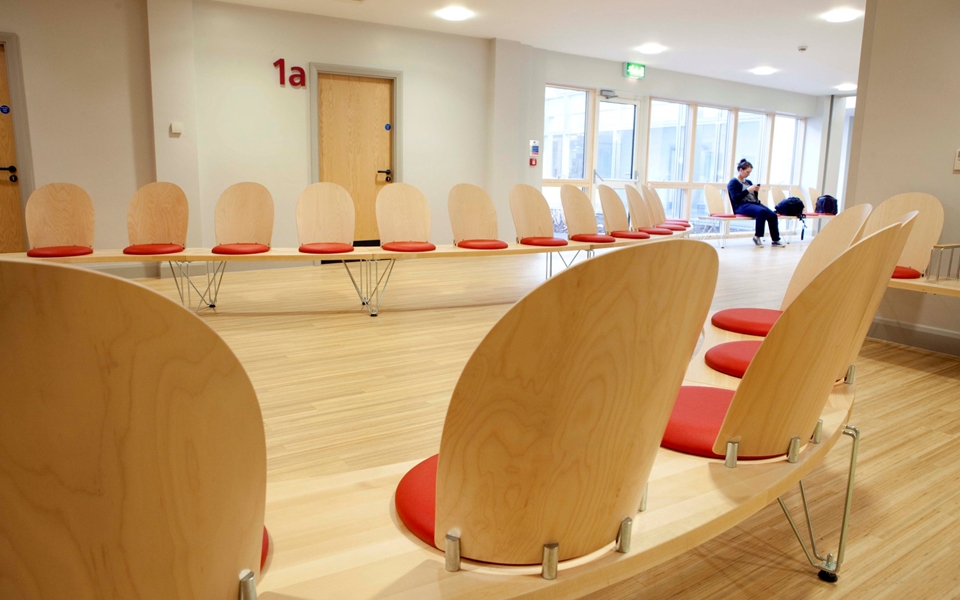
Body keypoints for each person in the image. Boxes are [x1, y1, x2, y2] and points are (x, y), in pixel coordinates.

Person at [727, 159, 783, 247]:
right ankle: (757, 237)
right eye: (747, 172)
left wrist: (755, 191)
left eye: (749, 172)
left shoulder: (748, 182)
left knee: (773, 215)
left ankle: (775, 240)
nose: (748, 174)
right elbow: (735, 198)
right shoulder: (733, 182)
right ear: (741, 170)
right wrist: (748, 190)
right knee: (761, 211)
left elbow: (753, 197)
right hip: (741, 205)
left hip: (753, 203)